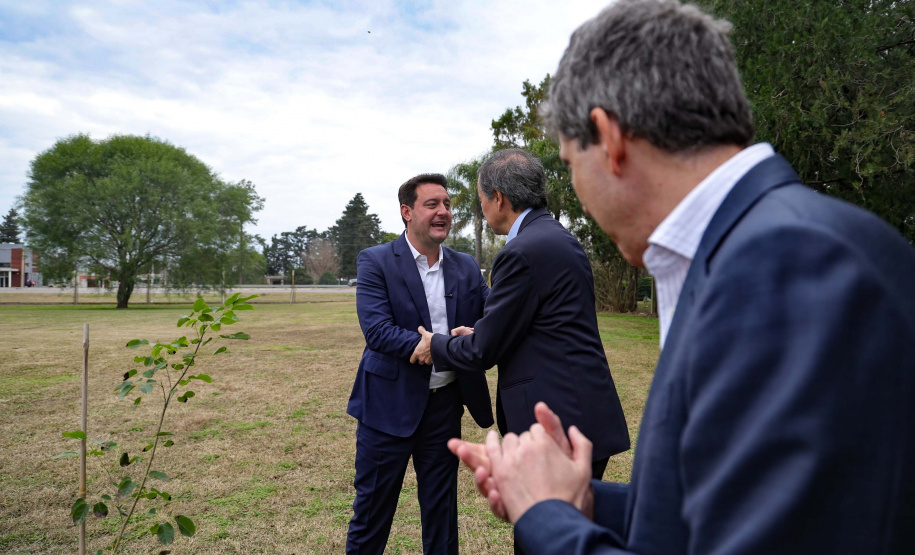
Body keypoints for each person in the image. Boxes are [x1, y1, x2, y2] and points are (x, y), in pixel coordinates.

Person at [448, 1, 915, 554]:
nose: (575, 190)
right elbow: (717, 513)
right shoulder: (755, 249)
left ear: (610, 137)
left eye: (574, 163)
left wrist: (546, 517)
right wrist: (588, 503)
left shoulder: (784, 268)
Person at [413, 148, 629, 482]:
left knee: (544, 529)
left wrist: (436, 345)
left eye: (482, 199)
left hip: (555, 422)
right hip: (580, 411)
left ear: (498, 198)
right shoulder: (555, 236)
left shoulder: (522, 252)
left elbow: (484, 350)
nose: (481, 209)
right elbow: (540, 324)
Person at [345, 173, 494, 555]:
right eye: (433, 205)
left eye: (446, 204)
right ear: (406, 212)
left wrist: (470, 336)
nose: (443, 212)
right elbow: (377, 331)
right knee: (371, 516)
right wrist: (439, 347)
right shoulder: (376, 260)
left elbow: (494, 321)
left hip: (444, 407)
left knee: (442, 518)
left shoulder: (465, 267)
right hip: (386, 408)